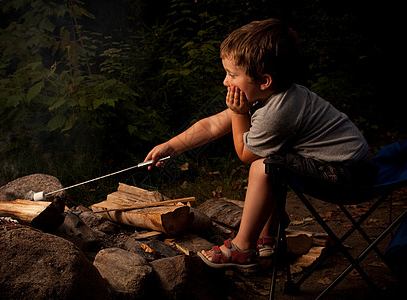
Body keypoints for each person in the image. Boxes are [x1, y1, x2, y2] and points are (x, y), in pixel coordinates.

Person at [144, 18, 377, 271]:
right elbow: (212, 125)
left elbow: (244, 154)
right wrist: (172, 146)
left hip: (348, 175)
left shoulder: (278, 110)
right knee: (275, 159)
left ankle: (242, 247)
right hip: (348, 165)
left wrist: (237, 113)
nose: (225, 81)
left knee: (263, 165)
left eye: (232, 75)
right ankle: (269, 236)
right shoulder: (266, 95)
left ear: (264, 81)